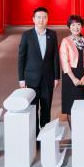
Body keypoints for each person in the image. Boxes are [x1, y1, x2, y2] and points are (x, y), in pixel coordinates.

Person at [17, 7, 60, 135]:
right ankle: (35, 134)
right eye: (39, 17)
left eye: (44, 17)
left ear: (47, 19)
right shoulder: (27, 35)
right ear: (33, 19)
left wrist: (56, 76)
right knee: (33, 108)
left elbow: (55, 56)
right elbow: (21, 58)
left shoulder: (52, 34)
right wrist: (21, 79)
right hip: (31, 79)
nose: (41, 20)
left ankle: (45, 134)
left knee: (46, 108)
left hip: (48, 78)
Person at [59, 14, 84, 124]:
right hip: (70, 75)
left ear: (82, 26)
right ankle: (73, 131)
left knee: (81, 103)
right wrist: (73, 78)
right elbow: (65, 62)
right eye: (72, 25)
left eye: (78, 24)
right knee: (70, 104)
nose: (75, 27)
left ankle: (80, 128)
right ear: (69, 27)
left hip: (83, 74)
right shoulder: (66, 41)